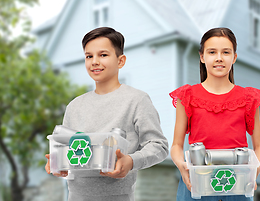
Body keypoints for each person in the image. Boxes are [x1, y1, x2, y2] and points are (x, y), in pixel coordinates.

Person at [45, 27, 169, 201]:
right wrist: (58, 162)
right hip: (75, 196)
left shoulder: (137, 100)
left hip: (118, 196)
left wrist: (131, 161)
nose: (94, 61)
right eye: (89, 56)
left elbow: (159, 145)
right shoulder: (74, 106)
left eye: (103, 55)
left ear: (120, 61)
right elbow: (66, 149)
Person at [170, 27, 260, 201]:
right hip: (197, 180)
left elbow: (259, 146)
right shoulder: (187, 96)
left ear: (234, 57)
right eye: (212, 52)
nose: (219, 58)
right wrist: (182, 166)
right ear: (202, 57)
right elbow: (176, 145)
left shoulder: (248, 98)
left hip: (238, 182)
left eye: (226, 52)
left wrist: (255, 170)